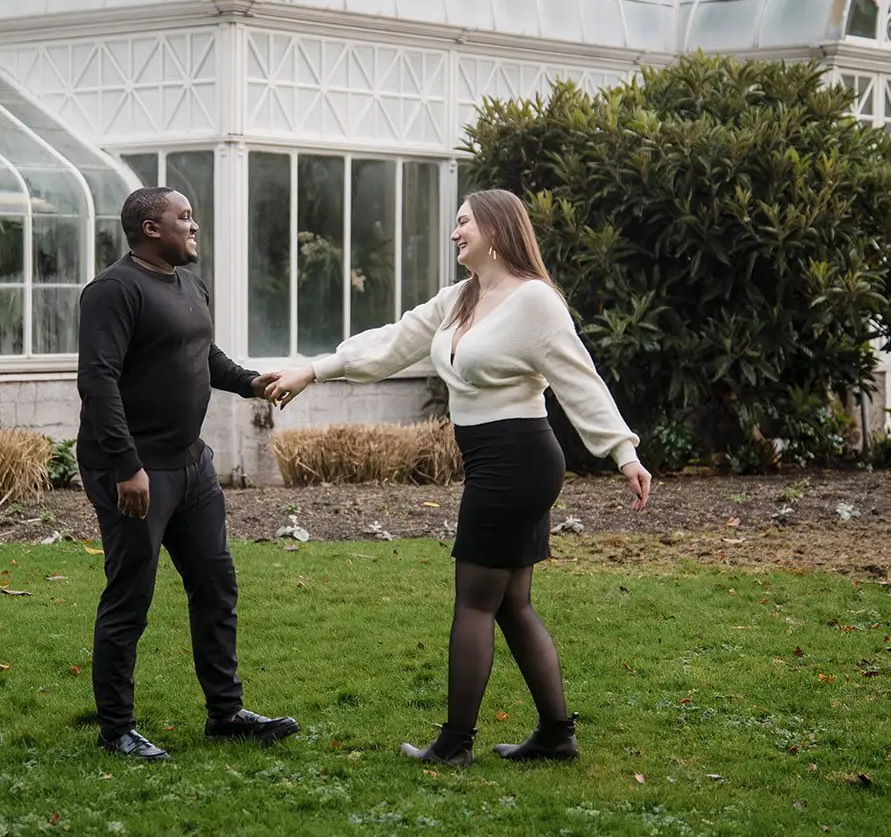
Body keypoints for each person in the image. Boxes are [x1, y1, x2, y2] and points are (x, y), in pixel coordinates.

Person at [268, 188, 651, 768]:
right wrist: (314, 370)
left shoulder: (534, 302)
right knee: (511, 604)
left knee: (474, 601)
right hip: (494, 460)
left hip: (517, 460)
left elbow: (580, 378)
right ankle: (555, 734)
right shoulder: (462, 298)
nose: (455, 233)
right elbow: (393, 343)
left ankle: (455, 744)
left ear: (496, 229)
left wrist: (622, 450)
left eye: (464, 222)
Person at [77, 186, 300, 761]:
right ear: (152, 229)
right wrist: (127, 466)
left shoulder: (189, 285)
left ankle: (225, 712)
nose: (194, 225)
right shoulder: (113, 291)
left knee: (216, 585)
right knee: (131, 595)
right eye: (185, 217)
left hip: (190, 464)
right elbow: (98, 381)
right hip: (134, 470)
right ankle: (116, 728)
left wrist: (254, 381)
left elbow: (204, 356)